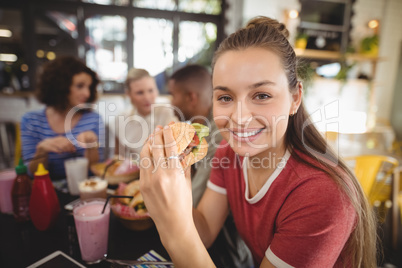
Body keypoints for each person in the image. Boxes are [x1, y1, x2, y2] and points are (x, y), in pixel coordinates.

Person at [139, 17, 377, 268]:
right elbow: (205, 230)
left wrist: (174, 229)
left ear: (295, 98)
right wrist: (175, 193)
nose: (239, 118)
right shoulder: (228, 154)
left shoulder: (323, 194)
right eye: (225, 97)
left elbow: (185, 237)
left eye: (262, 95)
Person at [168, 65, 253, 267]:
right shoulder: (201, 130)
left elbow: (193, 206)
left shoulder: (218, 137)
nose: (170, 103)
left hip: (229, 254)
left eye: (172, 96)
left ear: (191, 97)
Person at [21, 56, 104, 180]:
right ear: (60, 86)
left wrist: (91, 146)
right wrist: (42, 150)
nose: (87, 93)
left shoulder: (93, 119)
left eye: (89, 87)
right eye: (80, 86)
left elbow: (96, 170)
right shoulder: (31, 121)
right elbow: (31, 173)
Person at [113, 68, 178, 160]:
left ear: (157, 90)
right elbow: (120, 159)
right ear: (129, 94)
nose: (147, 98)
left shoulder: (168, 112)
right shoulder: (121, 119)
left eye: (151, 90)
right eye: (140, 93)